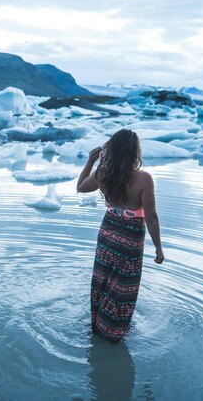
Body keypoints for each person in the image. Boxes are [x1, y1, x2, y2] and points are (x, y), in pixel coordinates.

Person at [76, 129, 164, 343]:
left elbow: (80, 187)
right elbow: (151, 216)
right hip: (130, 235)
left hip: (108, 231)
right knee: (122, 285)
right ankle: (114, 332)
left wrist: (90, 162)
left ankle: (97, 324)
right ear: (135, 152)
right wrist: (158, 248)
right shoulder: (143, 179)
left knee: (103, 280)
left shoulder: (103, 173)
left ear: (113, 149)